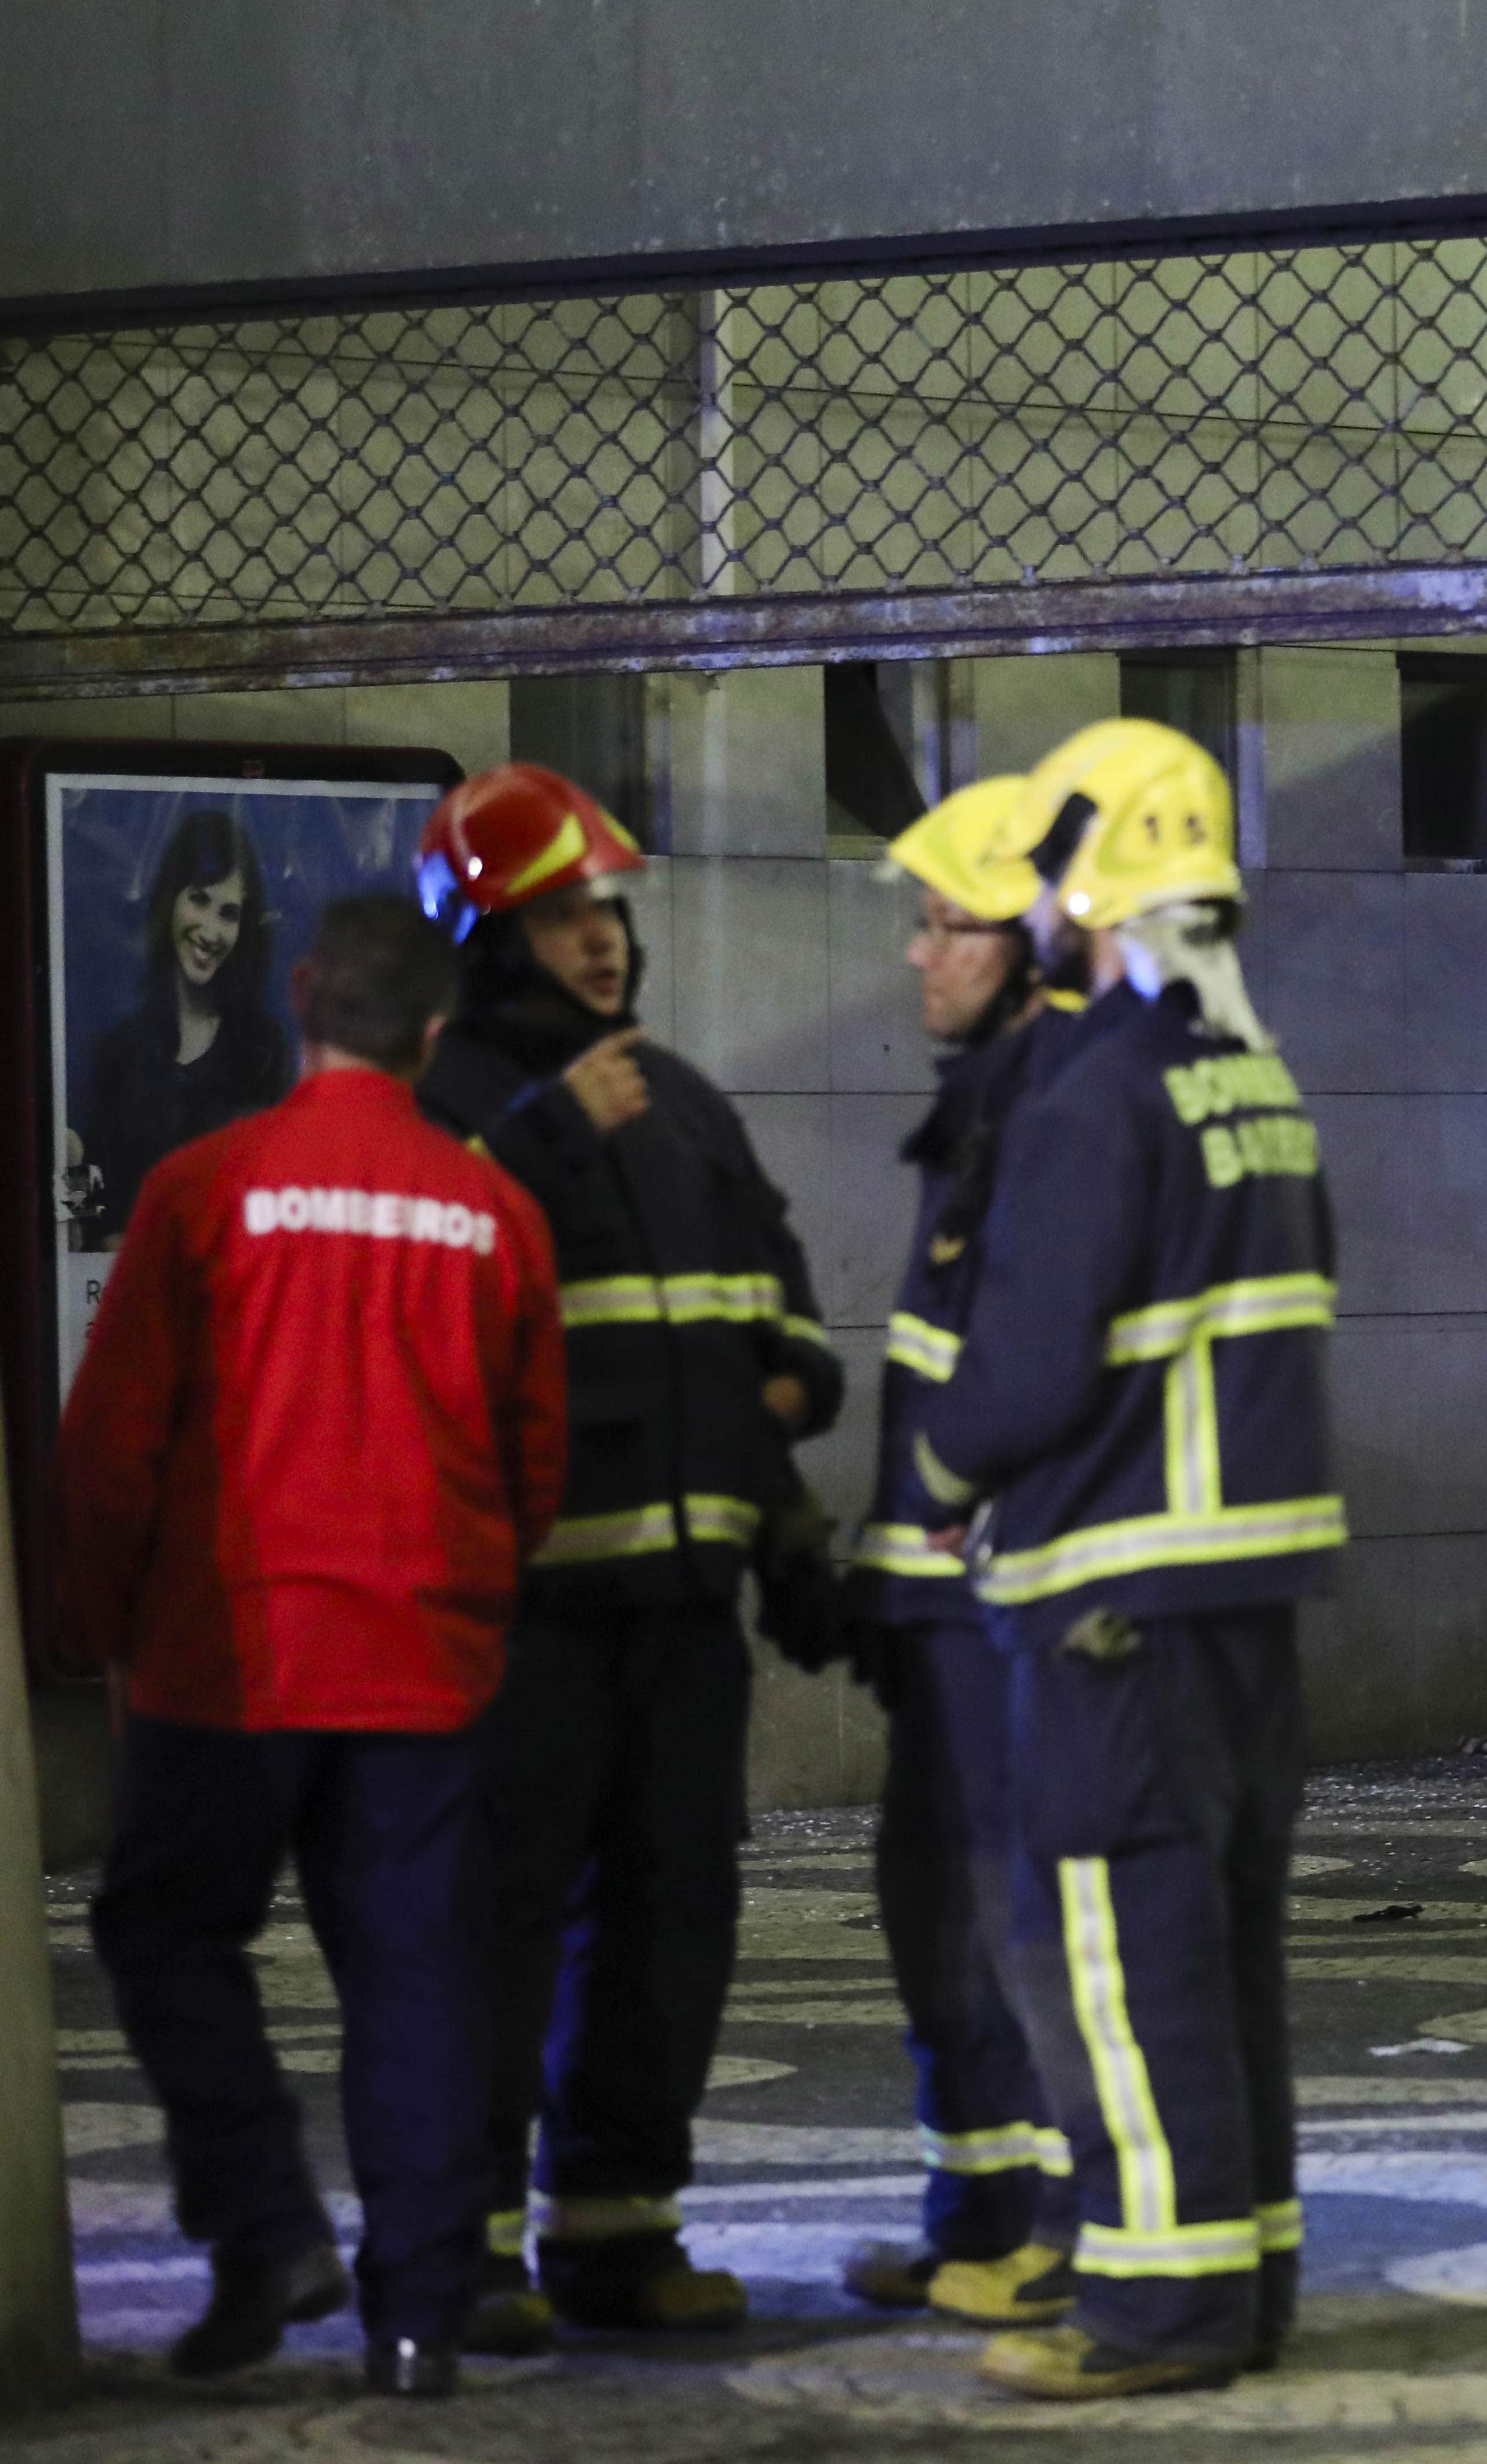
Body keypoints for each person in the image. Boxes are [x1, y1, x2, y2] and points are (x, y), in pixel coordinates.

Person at [62, 894, 566, 2400]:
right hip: (421, 1667)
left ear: (302, 999)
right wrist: (474, 1604)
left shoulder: (206, 1183)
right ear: (434, 1032)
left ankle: (266, 2224)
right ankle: (418, 2319)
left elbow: (112, 1443)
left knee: (165, 1932)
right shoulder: (494, 1212)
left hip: (231, 1659)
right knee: (416, 1977)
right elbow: (532, 1460)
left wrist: (106, 1625)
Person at [906, 719, 1341, 2400]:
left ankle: (1162, 2308)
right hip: (1245, 1600)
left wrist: (944, 1469)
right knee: (1223, 1951)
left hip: (1116, 1598)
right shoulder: (1258, 1069)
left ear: (1082, 874)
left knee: (1122, 1955)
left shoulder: (1100, 1088)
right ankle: (1248, 2276)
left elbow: (1025, 1357)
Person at [407, 762, 846, 2345]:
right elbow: (415, 1313)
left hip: (681, 1609)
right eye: (561, 913)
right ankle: (454, 2246)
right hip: (513, 1620)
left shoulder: (684, 1098)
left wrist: (781, 1431)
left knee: (674, 1915)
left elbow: (782, 1312)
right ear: (486, 935)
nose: (600, 940)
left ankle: (616, 2227)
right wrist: (533, 1135)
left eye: (606, 909)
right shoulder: (439, 1109)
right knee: (493, 1923)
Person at [832, 773, 1090, 2328]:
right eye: (920, 927)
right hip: (941, 1600)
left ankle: (1061, 2218)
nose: (920, 957)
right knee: (941, 1912)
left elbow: (1029, 1369)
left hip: (1009, 1596)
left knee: (1022, 1917)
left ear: (1030, 939)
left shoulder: (1052, 1097)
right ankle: (974, 2210)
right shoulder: (985, 1092)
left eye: (951, 927)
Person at [75, 806, 295, 1245]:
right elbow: (86, 1208)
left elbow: (280, 1210)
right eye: (199, 898)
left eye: (229, 913)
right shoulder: (118, 1053)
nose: (211, 930)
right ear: (171, 898)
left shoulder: (263, 1054)